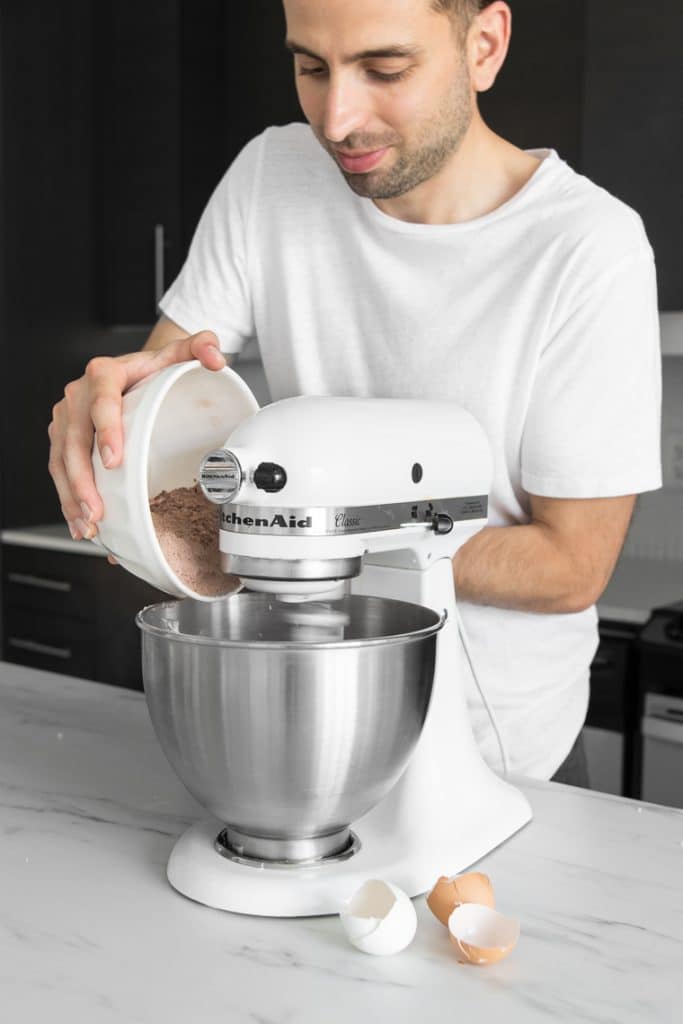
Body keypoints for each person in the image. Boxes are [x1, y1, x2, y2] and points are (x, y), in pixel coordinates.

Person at [47, 0, 661, 786]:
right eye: (309, 66)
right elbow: (165, 387)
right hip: (306, 719)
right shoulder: (272, 174)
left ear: (483, 45)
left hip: (501, 754)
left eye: (384, 69)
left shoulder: (587, 248)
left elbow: (569, 568)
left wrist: (307, 532)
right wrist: (109, 417)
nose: (336, 119)